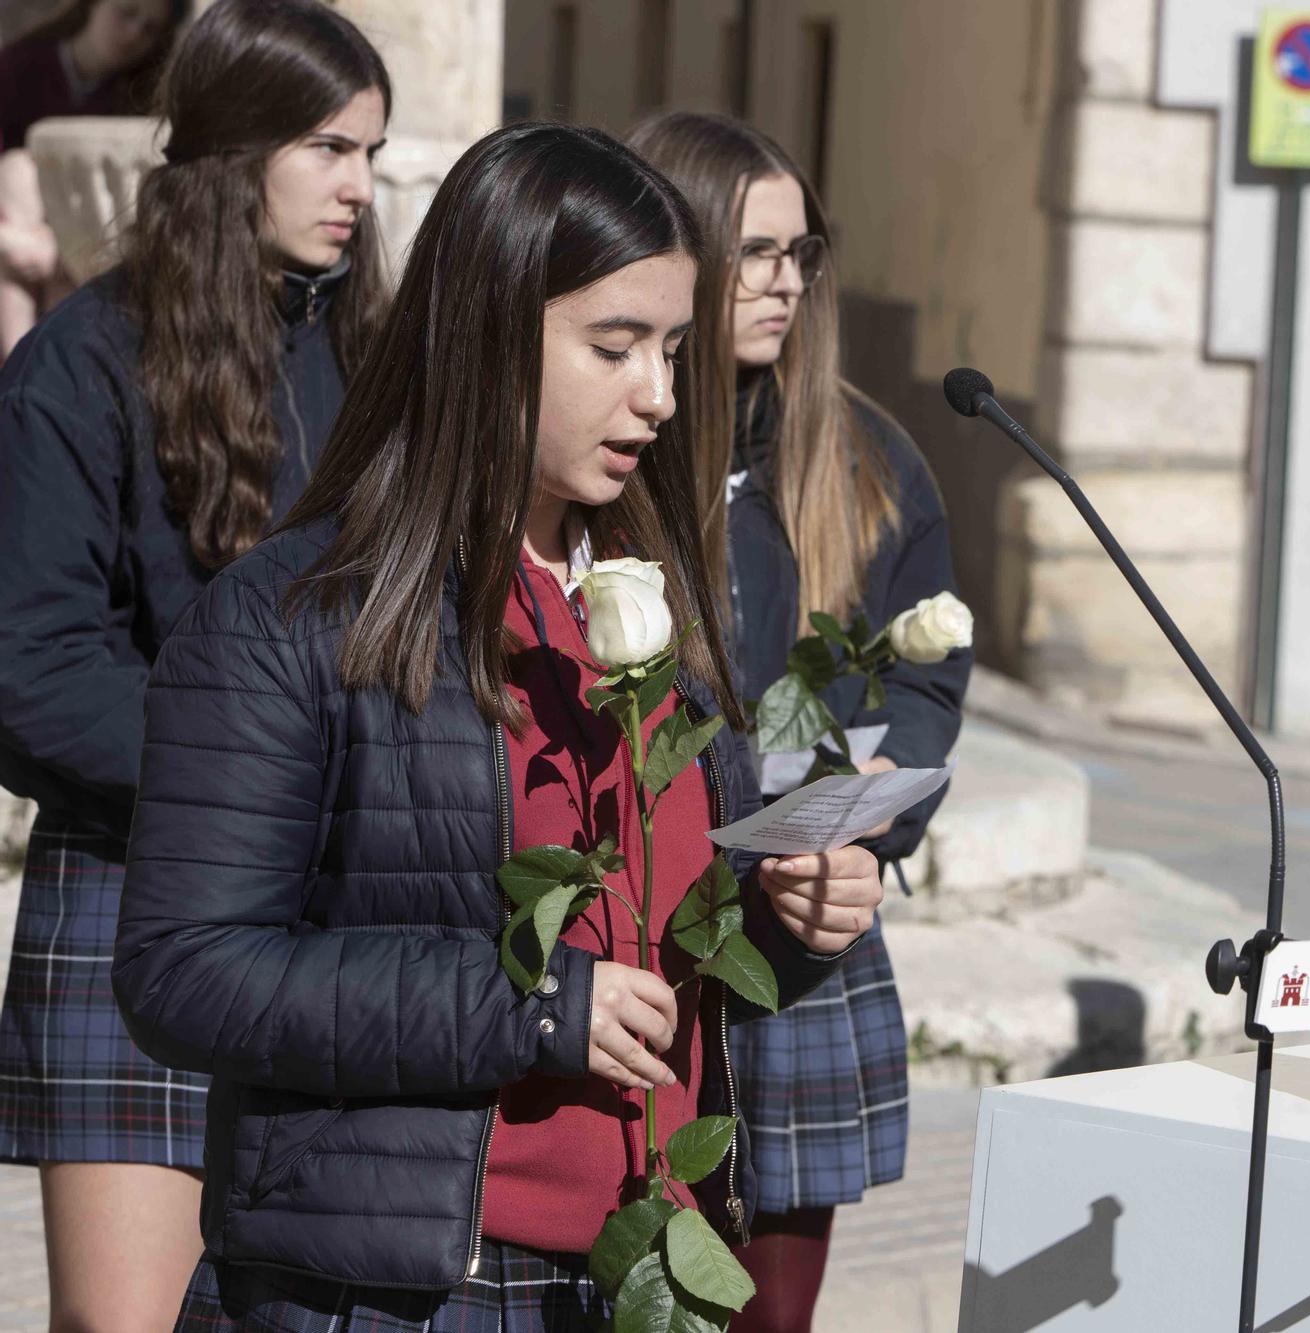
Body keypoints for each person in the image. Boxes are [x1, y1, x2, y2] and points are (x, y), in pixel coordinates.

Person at [111, 119, 884, 1329]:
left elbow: (666, 953)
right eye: (613, 346)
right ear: (483, 334)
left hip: (644, 1277)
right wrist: (528, 1007)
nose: (661, 396)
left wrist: (788, 920)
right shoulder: (295, 619)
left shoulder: (653, 606)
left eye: (674, 351)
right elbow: (186, 971)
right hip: (396, 1291)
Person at [0, 0, 389, 1324]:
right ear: (236, 144)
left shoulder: (371, 356)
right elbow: (34, 672)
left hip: (327, 901)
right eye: (330, 148)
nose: (356, 187)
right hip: (129, 885)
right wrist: (251, 765)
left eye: (370, 156)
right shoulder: (79, 361)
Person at [628, 109, 970, 1331]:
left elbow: (923, 687)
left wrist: (860, 841)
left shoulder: (867, 459)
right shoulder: (611, 451)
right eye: (753, 250)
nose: (782, 279)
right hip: (633, 931)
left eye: (798, 252)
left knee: (769, 1318)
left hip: (797, 938)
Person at [0, 0, 190, 358]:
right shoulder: (20, 67)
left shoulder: (142, 91)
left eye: (149, 29)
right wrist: (10, 238)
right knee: (17, 169)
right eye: (126, 13)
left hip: (80, 240)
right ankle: (17, 359)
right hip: (20, 231)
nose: (134, 33)